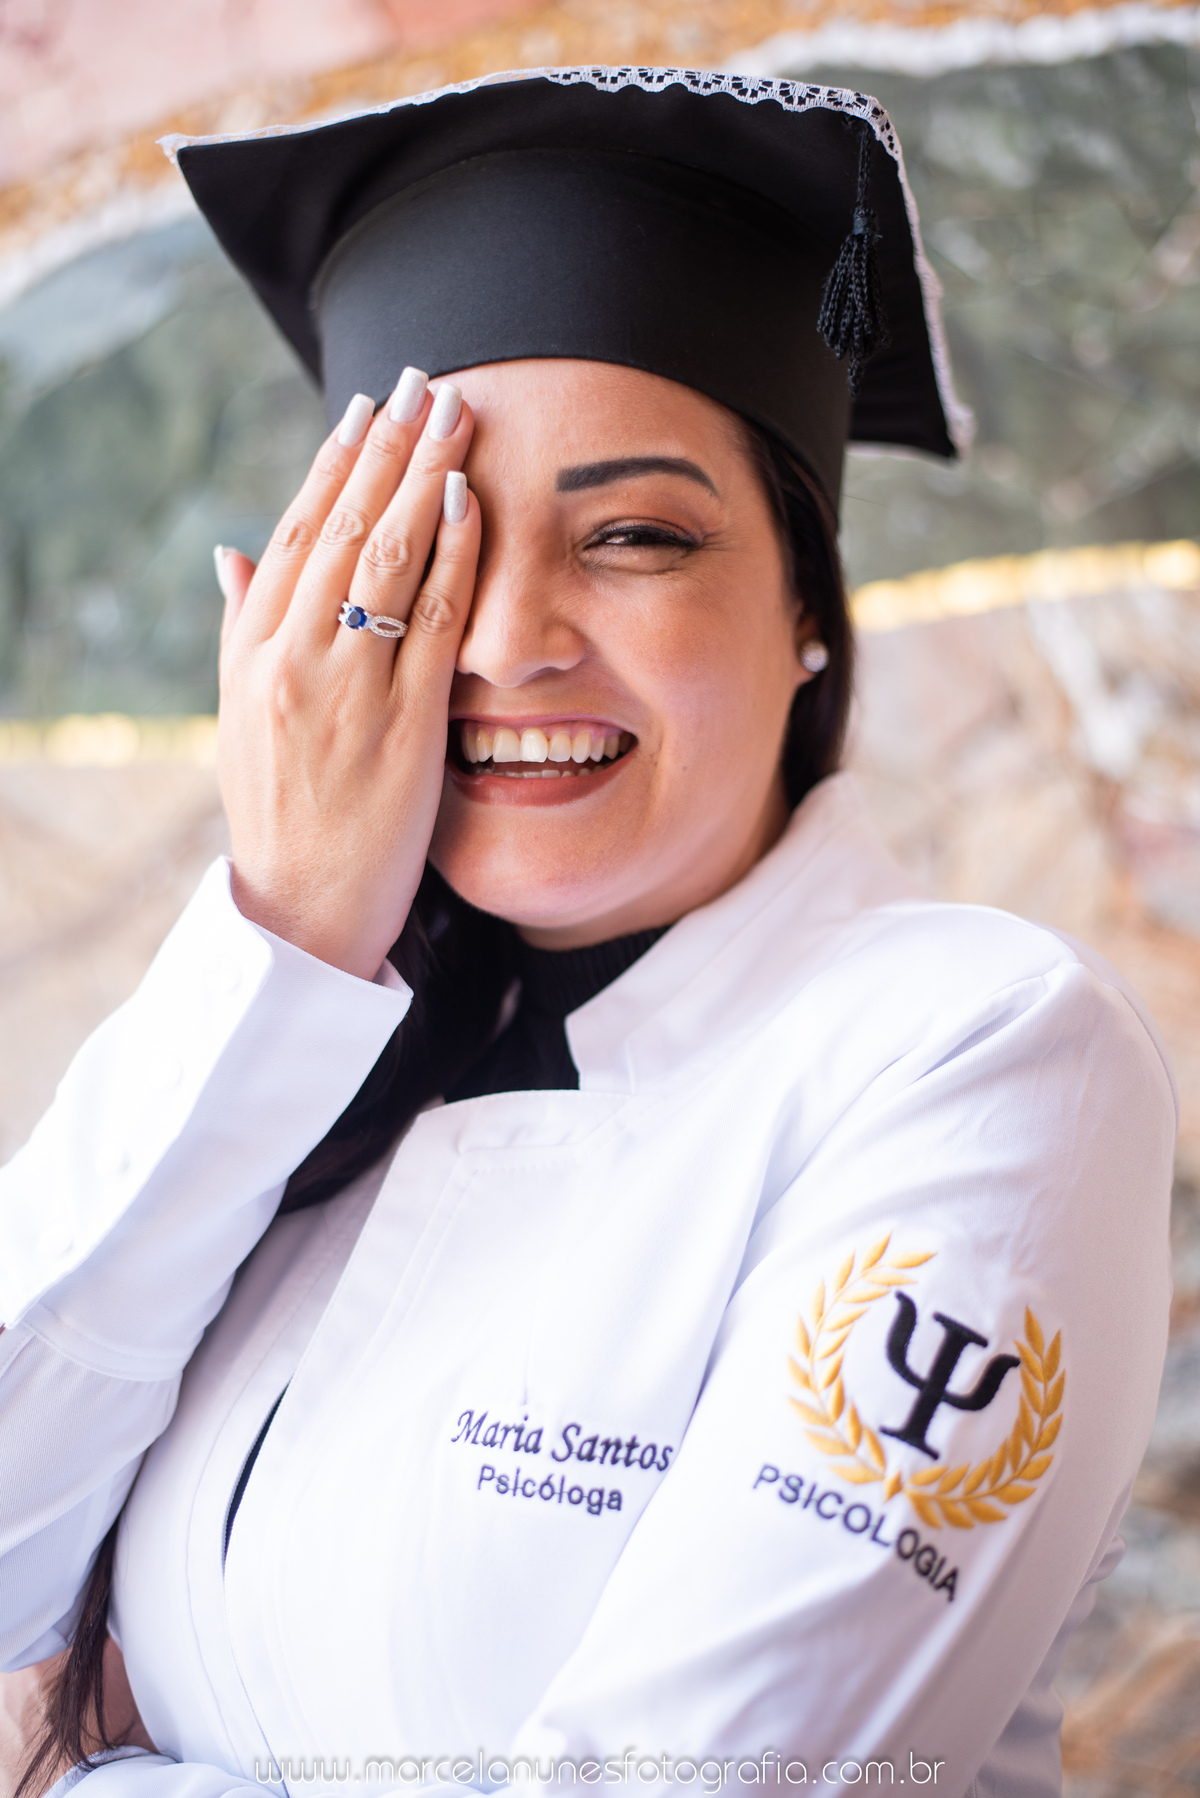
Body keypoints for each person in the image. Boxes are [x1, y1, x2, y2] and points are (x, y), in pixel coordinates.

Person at [0, 64, 1176, 1798]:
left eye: (632, 535)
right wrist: (288, 931)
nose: (504, 641)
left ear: (806, 605)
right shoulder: (316, 1098)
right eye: (433, 544)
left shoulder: (983, 1049)